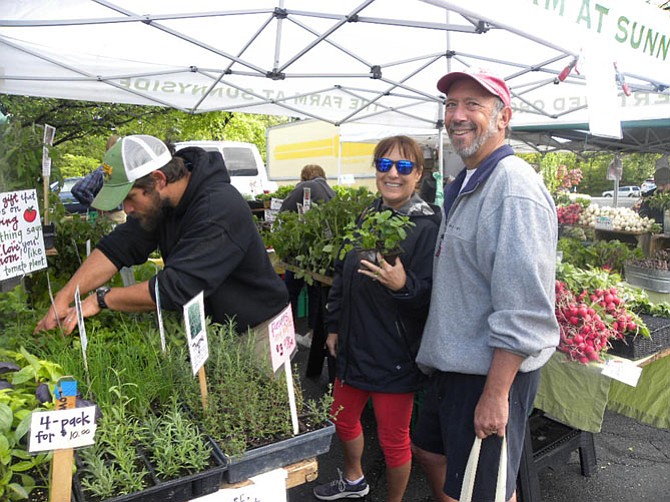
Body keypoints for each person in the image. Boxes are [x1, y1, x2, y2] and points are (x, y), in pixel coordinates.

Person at [411, 68, 559, 502]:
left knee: (486, 490)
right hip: (455, 365)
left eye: (472, 105)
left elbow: (524, 310)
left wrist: (496, 395)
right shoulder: (469, 179)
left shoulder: (514, 188)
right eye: (451, 104)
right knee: (431, 451)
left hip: (488, 374)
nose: (457, 115)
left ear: (502, 117)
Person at [35, 134, 288, 336]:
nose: (126, 209)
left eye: (131, 198)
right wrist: (66, 296)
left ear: (159, 180)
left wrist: (101, 299)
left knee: (259, 399)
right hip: (215, 329)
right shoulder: (162, 204)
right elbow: (117, 247)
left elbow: (176, 287)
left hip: (259, 330)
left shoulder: (218, 208)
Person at [313, 136, 441, 501]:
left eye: (403, 167)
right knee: (341, 416)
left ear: (418, 174)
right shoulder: (367, 215)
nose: (393, 174)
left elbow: (434, 298)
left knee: (394, 438)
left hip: (394, 353)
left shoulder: (428, 226)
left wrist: (404, 286)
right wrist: (334, 325)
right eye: (385, 165)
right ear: (376, 171)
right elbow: (343, 274)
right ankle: (354, 479)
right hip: (354, 344)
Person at [71, 135, 126, 224]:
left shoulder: (120, 169)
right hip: (113, 219)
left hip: (120, 217)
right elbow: (79, 189)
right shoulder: (106, 170)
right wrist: (96, 205)